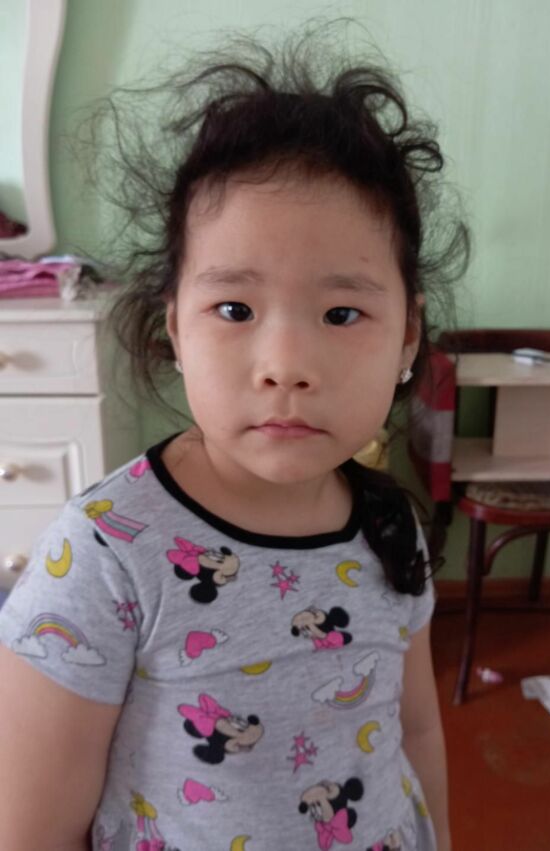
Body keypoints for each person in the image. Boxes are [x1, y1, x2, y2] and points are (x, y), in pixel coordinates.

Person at [0, 21, 468, 851]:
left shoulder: (391, 525)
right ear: (176, 326)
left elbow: (418, 731)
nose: (286, 364)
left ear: (407, 336)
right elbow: (31, 828)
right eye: (234, 308)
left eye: (342, 312)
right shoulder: (105, 554)